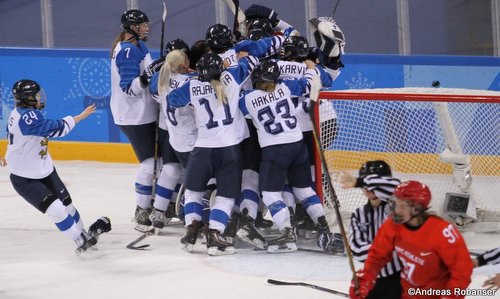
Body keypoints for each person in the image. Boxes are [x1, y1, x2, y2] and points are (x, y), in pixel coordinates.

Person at [167, 53, 259, 256]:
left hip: (202, 150)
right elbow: (251, 60)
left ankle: (192, 228)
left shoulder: (191, 86)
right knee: (226, 197)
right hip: (229, 150)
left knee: (193, 192)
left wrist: (194, 83)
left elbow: (172, 100)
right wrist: (234, 61)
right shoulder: (232, 76)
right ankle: (215, 234)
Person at [5, 79, 111, 254]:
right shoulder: (28, 117)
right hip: (24, 178)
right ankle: (79, 239)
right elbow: (55, 129)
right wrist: (79, 118)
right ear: (28, 98)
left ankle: (82, 233)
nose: (40, 98)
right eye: (37, 95)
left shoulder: (25, 113)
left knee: (67, 205)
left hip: (45, 169)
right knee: (56, 210)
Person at [238, 59, 332, 253]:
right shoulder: (285, 87)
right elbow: (309, 83)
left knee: (270, 194)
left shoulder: (247, 99)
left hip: (275, 151)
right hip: (298, 146)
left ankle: (287, 235)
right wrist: (312, 69)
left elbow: (230, 94)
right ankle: (324, 227)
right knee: (304, 189)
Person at [350, 180, 473, 299]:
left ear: (417, 208)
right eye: (395, 204)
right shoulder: (393, 225)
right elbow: (377, 256)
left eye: (402, 206)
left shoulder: (443, 232)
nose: (397, 210)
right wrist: (365, 279)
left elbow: (462, 271)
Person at [110, 9, 165, 232]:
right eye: (142, 25)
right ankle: (141, 209)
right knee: (150, 163)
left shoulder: (137, 46)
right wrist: (147, 75)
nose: (146, 28)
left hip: (144, 113)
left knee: (160, 162)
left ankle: (158, 204)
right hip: (135, 116)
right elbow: (128, 89)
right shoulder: (127, 52)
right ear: (131, 27)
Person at [325, 160, 402, 298]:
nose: (367, 187)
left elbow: (396, 185)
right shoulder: (359, 215)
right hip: (374, 278)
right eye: (365, 183)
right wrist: (382, 250)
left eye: (371, 183)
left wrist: (358, 181)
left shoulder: (399, 207)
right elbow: (357, 250)